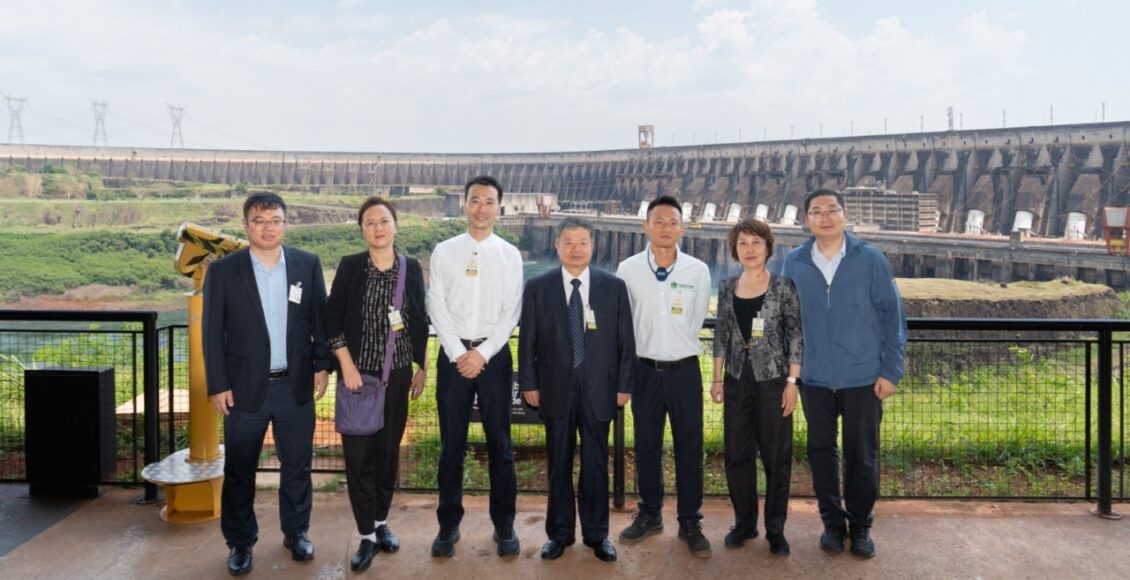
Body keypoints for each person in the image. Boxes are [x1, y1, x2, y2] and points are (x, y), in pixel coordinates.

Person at [202, 192, 332, 576]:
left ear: (285, 223)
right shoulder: (225, 271)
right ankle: (241, 542)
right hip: (244, 390)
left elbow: (319, 321)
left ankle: (297, 532)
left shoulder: (307, 265)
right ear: (247, 225)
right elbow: (212, 332)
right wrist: (218, 383)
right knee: (240, 468)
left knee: (297, 465)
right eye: (259, 220)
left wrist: (321, 365)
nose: (268, 227)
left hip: (294, 387)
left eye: (275, 219)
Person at [780, 188, 907, 558]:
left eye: (831, 210)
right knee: (821, 453)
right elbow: (788, 323)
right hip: (815, 378)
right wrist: (791, 375)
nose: (825, 217)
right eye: (816, 211)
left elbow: (893, 318)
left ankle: (861, 524)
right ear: (807, 219)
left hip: (862, 377)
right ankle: (832, 524)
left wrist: (891, 371)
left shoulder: (870, 260)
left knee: (862, 454)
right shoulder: (794, 262)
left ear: (844, 215)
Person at [518, 217, 635, 563]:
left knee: (597, 464)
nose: (576, 248)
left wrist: (625, 385)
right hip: (554, 388)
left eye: (582, 242)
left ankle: (598, 535)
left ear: (592, 246)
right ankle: (560, 533)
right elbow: (527, 341)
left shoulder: (613, 287)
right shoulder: (538, 287)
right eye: (568, 242)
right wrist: (529, 383)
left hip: (601, 389)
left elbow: (626, 341)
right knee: (558, 463)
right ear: (557, 246)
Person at [325, 197, 428, 573]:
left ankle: (381, 521)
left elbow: (419, 317)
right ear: (362, 230)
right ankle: (365, 533)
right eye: (370, 223)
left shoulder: (410, 267)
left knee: (387, 452)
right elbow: (332, 319)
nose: (378, 228)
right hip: (358, 377)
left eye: (384, 221)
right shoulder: (352, 267)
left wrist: (422, 365)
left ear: (395, 226)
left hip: (398, 376)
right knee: (358, 457)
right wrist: (346, 364)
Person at [426, 175, 523, 558]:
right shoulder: (444, 251)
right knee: (452, 446)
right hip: (453, 359)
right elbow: (437, 305)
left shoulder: (510, 255)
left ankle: (505, 525)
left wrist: (482, 354)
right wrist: (457, 352)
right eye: (475, 200)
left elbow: (511, 310)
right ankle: (448, 526)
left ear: (499, 207)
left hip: (494, 358)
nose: (482, 208)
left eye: (489, 201)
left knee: (500, 445)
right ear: (464, 204)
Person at [616, 195, 713, 557]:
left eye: (673, 222)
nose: (665, 228)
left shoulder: (697, 271)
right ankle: (650, 513)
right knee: (646, 448)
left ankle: (689, 520)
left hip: (685, 371)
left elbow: (696, 317)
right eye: (658, 221)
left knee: (690, 450)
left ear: (682, 228)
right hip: (644, 372)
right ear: (645, 226)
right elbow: (624, 325)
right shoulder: (628, 269)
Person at [710, 218, 802, 556]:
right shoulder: (726, 286)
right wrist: (717, 378)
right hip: (735, 379)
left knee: (776, 457)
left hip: (773, 381)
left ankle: (775, 529)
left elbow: (796, 336)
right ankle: (744, 523)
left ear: (767, 248)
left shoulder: (783, 287)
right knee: (737, 454)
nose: (749, 249)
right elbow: (721, 335)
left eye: (756, 243)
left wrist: (792, 382)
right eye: (743, 243)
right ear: (735, 249)